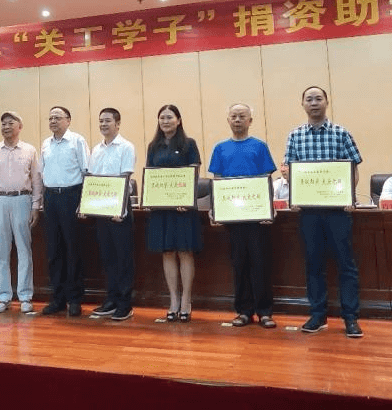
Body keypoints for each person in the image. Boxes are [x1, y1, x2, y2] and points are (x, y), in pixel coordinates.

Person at [284, 86, 364, 338]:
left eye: (318, 98)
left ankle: (351, 318)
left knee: (346, 265)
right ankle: (318, 315)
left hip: (337, 211)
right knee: (313, 264)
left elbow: (353, 170)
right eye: (309, 99)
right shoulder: (295, 135)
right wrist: (293, 188)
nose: (314, 103)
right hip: (308, 212)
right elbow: (289, 170)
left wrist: (349, 195)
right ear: (302, 104)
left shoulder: (342, 133)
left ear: (326, 102)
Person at [208, 103, 277, 329]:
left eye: (242, 116)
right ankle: (244, 311)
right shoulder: (220, 148)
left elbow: (266, 179)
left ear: (250, 121)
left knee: (260, 263)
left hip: (256, 216)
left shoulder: (260, 146)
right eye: (234, 116)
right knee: (239, 264)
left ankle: (264, 311)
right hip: (232, 216)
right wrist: (215, 208)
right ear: (228, 120)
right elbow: (217, 181)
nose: (237, 120)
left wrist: (269, 208)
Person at [0, 111, 43, 314]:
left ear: (20, 127)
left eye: (10, 123)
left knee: (24, 250)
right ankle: (3, 296)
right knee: (1, 252)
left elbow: (36, 180)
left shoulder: (30, 150)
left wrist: (35, 206)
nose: (6, 127)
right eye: (3, 124)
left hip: (22, 199)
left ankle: (25, 296)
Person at [145, 104, 202, 322]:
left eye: (169, 117)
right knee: (167, 252)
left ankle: (186, 300)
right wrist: (150, 198)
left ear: (178, 120)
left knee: (184, 252)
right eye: (162, 118)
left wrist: (186, 199)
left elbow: (194, 173)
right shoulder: (153, 146)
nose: (165, 121)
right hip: (162, 210)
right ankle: (173, 300)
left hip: (183, 209)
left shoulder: (189, 144)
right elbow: (150, 174)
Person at [87, 107, 136, 322]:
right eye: (101, 121)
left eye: (107, 121)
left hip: (119, 211)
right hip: (101, 210)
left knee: (123, 258)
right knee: (107, 257)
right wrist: (85, 206)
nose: (103, 124)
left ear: (117, 123)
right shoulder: (96, 149)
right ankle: (111, 299)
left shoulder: (126, 147)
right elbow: (92, 179)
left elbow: (125, 179)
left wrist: (120, 209)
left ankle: (125, 303)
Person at [40, 106, 90, 317]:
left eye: (57, 117)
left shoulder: (77, 141)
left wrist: (83, 202)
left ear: (68, 120)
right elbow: (42, 173)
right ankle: (57, 298)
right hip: (51, 197)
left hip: (72, 196)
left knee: (72, 250)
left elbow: (87, 172)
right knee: (54, 250)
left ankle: (75, 299)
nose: (53, 121)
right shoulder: (45, 144)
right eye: (50, 117)